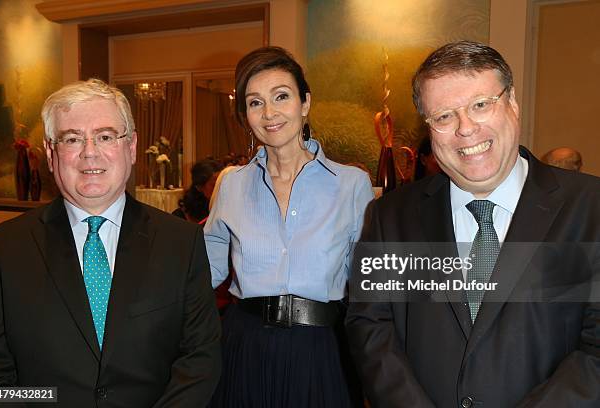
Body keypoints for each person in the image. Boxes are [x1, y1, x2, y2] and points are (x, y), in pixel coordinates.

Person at [346, 41, 600, 407]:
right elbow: (370, 329)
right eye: (444, 116)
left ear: (512, 102)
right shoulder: (389, 216)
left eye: (481, 105)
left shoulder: (590, 208)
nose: (466, 129)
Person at [0, 79, 221, 406]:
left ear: (132, 147)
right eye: (72, 139)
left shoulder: (181, 243)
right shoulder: (2, 249)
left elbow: (200, 358)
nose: (90, 152)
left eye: (106, 136)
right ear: (52, 153)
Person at [204, 46, 374, 407]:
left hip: (321, 348)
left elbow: (366, 287)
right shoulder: (231, 183)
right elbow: (205, 269)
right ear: (245, 115)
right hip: (244, 344)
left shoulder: (352, 184)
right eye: (255, 102)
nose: (269, 113)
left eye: (281, 96)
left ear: (304, 103)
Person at [173, 158, 224, 223]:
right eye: (215, 185)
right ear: (199, 187)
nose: (220, 188)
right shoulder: (180, 217)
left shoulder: (225, 209)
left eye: (222, 183)